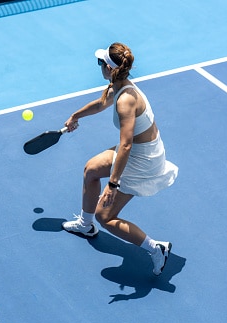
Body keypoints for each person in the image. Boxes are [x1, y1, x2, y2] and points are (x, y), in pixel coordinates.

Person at [62, 42, 178, 276]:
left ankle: (156, 248)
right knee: (91, 169)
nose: (98, 66)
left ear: (108, 67)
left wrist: (113, 184)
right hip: (139, 149)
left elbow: (125, 144)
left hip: (142, 159)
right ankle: (86, 225)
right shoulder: (119, 85)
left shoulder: (126, 100)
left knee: (105, 216)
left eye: (99, 63)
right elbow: (101, 103)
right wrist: (76, 116)